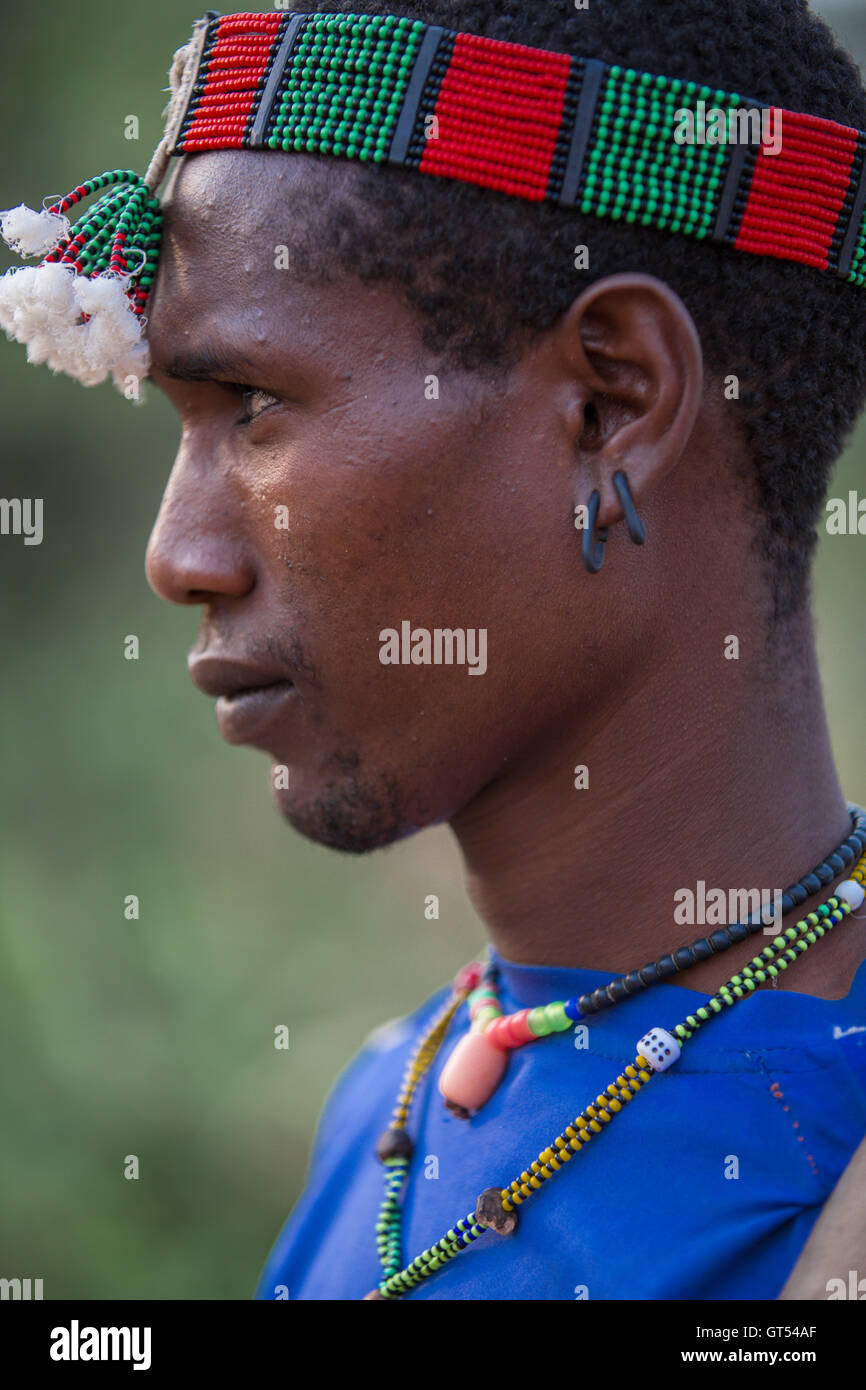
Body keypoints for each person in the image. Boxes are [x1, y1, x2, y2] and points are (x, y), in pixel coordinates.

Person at [2, 0, 865, 1302]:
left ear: (608, 403)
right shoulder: (396, 1101)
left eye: (252, 408)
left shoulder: (819, 1156)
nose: (178, 556)